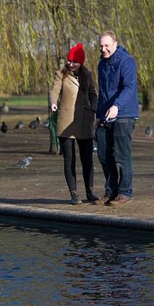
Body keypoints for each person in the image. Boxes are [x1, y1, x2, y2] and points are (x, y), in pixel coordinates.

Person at [49, 43, 99, 205]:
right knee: (69, 159)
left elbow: (93, 94)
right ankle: (74, 194)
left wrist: (93, 109)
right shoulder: (60, 75)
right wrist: (53, 102)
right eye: (69, 60)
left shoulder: (87, 75)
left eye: (74, 61)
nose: (70, 64)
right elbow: (54, 90)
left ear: (81, 62)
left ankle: (90, 192)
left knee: (87, 159)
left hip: (84, 121)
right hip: (66, 121)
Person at [95, 31, 139, 206]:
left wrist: (117, 106)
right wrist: (99, 115)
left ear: (115, 44)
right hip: (106, 114)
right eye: (101, 46)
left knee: (122, 155)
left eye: (106, 45)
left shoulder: (126, 62)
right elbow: (103, 93)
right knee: (104, 155)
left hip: (124, 114)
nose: (103, 49)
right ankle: (110, 191)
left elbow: (129, 88)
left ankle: (125, 192)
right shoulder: (101, 65)